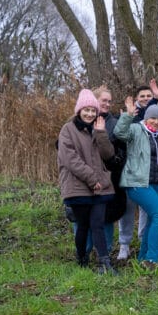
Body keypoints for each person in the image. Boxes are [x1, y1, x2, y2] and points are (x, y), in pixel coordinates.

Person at [57, 89, 117, 274]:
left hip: (100, 187)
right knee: (83, 225)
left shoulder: (99, 128)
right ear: (79, 110)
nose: (90, 114)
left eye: (93, 110)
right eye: (87, 110)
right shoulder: (68, 129)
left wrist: (101, 134)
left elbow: (109, 155)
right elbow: (70, 159)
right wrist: (92, 180)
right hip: (78, 187)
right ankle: (82, 259)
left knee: (98, 224)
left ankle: (104, 263)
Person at [114, 100, 158, 270]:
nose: (157, 122)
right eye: (153, 118)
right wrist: (128, 115)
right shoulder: (136, 129)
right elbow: (119, 133)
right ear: (147, 118)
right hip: (137, 182)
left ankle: (143, 256)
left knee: (153, 218)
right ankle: (152, 258)